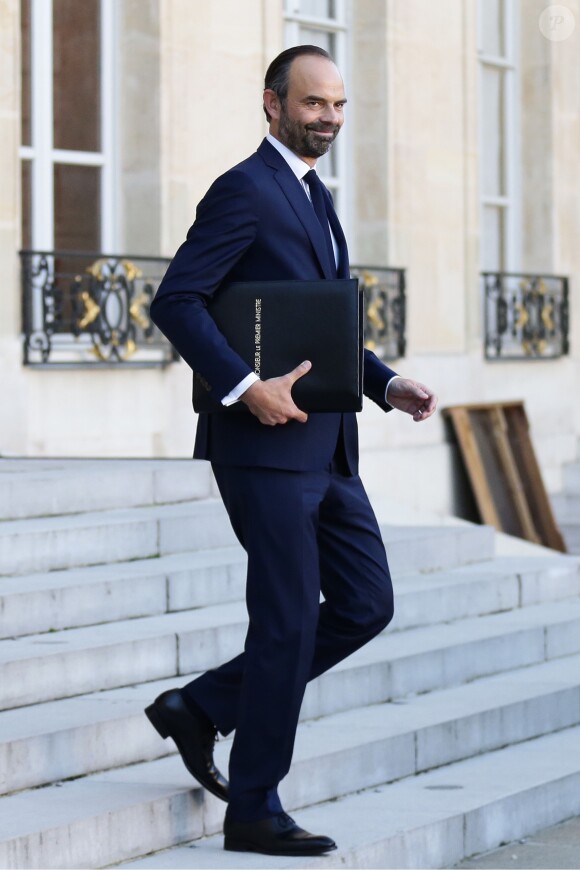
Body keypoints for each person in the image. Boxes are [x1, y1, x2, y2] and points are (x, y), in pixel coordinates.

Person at [145, 44, 437, 857]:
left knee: (365, 604)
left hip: (330, 451)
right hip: (264, 450)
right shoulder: (245, 189)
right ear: (272, 104)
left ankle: (201, 706)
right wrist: (245, 385)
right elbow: (178, 300)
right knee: (284, 623)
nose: (329, 119)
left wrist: (385, 386)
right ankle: (255, 809)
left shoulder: (312, 192)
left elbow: (322, 321)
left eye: (339, 106)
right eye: (314, 104)